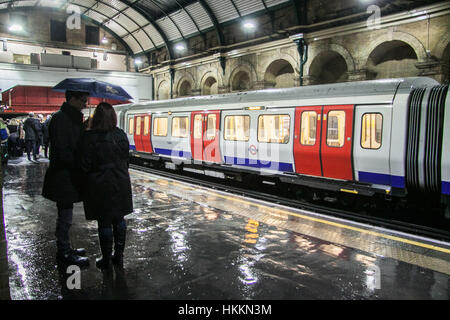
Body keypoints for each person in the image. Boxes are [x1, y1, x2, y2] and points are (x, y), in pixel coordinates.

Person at [79, 102, 133, 270]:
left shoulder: (89, 137)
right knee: (119, 219)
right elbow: (127, 160)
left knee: (104, 222)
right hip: (121, 181)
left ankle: (106, 259)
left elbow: (84, 165)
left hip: (100, 184)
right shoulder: (121, 135)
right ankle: (119, 256)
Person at [42, 91, 90, 267]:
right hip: (64, 176)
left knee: (66, 215)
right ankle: (64, 252)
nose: (85, 104)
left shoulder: (68, 118)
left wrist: (83, 127)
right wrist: (80, 165)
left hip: (66, 175)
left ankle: (66, 247)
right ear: (72, 99)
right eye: (83, 101)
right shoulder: (61, 119)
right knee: (65, 217)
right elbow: (64, 150)